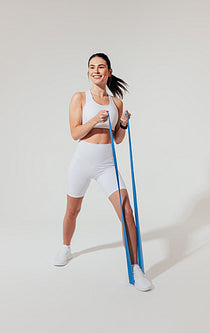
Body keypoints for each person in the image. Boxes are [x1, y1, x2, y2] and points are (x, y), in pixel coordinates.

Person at [53, 53, 153, 292]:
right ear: (88, 71)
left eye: (101, 67)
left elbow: (117, 139)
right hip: (82, 163)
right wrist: (95, 119)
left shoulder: (117, 103)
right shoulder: (79, 98)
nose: (96, 71)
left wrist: (124, 125)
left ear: (109, 71)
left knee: (128, 213)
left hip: (108, 165)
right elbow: (75, 133)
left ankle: (135, 268)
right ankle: (66, 247)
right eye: (91, 67)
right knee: (72, 211)